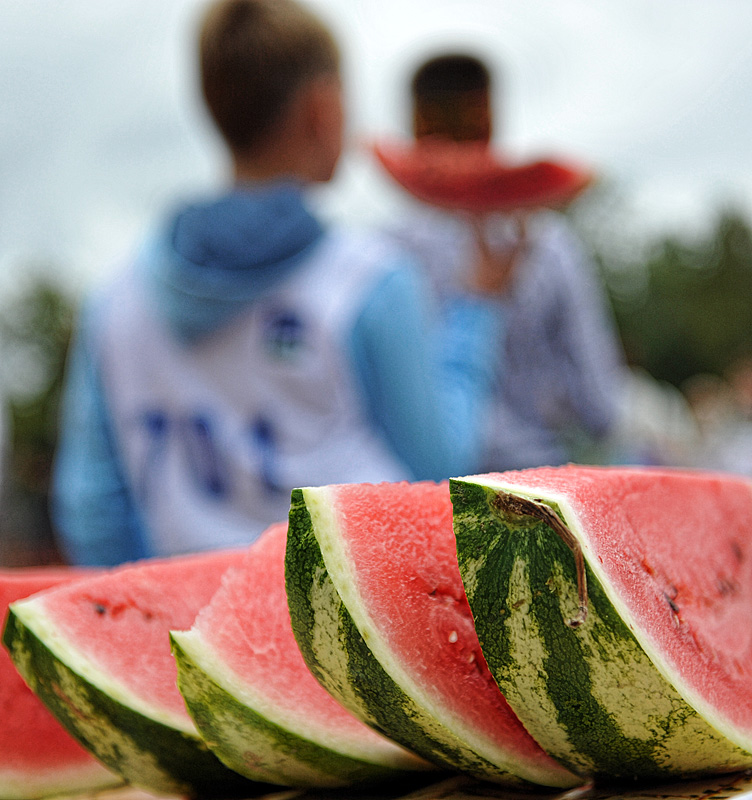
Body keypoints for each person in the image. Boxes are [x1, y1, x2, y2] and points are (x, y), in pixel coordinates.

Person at [51, 1, 511, 566]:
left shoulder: (114, 300)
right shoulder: (370, 279)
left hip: (191, 630)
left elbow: (92, 508)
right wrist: (477, 310)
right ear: (322, 109)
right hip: (351, 642)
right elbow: (442, 464)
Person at [383, 52, 628, 470]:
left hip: (426, 496)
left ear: (416, 125)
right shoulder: (552, 246)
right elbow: (602, 409)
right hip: (540, 491)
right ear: (490, 119)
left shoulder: (382, 256)